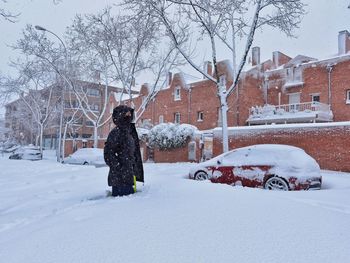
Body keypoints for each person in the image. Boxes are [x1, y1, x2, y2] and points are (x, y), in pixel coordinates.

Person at [104, 105, 144, 196]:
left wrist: (132, 165)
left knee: (129, 204)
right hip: (119, 177)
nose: (129, 116)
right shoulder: (116, 132)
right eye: (126, 114)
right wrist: (118, 166)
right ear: (120, 115)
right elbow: (108, 153)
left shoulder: (129, 132)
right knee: (121, 205)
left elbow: (132, 152)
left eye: (130, 114)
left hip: (128, 175)